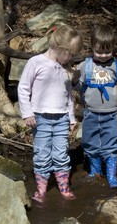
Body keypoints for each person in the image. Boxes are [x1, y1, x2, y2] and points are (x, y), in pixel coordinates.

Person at [73, 23, 117, 188]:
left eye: (108, 51)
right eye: (99, 51)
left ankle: (111, 175)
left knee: (111, 143)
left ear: (113, 49)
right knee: (90, 142)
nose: (104, 55)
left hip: (110, 114)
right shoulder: (86, 65)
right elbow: (77, 88)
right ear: (91, 47)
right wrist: (75, 79)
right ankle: (95, 171)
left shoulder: (115, 65)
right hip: (91, 113)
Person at [18, 24, 83, 203]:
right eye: (70, 54)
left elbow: (68, 96)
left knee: (62, 154)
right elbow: (23, 88)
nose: (72, 57)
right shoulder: (36, 62)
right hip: (40, 118)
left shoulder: (66, 69)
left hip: (61, 118)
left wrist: (71, 118)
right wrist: (27, 113)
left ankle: (63, 187)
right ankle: (41, 190)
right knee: (42, 154)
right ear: (59, 48)